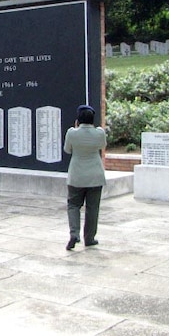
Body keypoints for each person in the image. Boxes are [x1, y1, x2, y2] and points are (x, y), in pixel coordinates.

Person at [63, 104, 107, 250]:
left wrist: (75, 129)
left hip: (77, 176)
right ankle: (89, 238)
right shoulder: (99, 133)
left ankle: (74, 233)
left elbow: (67, 150)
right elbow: (102, 145)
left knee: (73, 205)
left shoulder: (72, 133)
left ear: (78, 120)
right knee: (93, 208)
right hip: (95, 176)